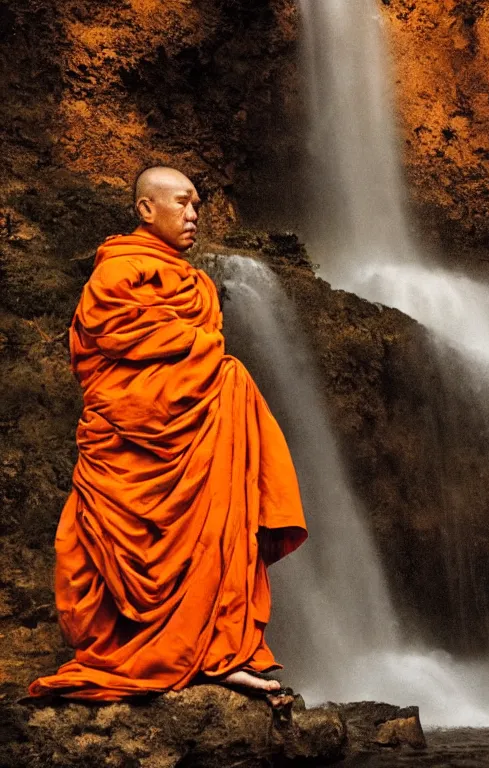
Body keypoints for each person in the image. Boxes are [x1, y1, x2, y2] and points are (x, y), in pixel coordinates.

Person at [26, 167, 308, 700]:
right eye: (182, 203)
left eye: (198, 204)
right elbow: (117, 339)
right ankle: (157, 649)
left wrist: (213, 366)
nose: (194, 214)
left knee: (221, 518)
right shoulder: (115, 274)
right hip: (130, 438)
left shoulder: (199, 283)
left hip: (200, 429)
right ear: (145, 210)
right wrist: (207, 356)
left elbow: (196, 349)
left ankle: (222, 653)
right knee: (227, 374)